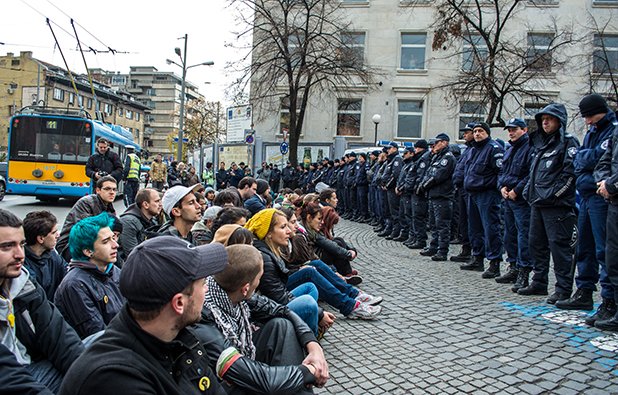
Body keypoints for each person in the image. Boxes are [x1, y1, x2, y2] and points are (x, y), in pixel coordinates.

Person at [58, 237, 229, 394]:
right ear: (179, 303)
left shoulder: (178, 337)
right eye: (203, 283)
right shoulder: (115, 381)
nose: (206, 290)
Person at [194, 244, 329, 394]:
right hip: (223, 383)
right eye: (259, 278)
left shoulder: (232, 293)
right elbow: (261, 379)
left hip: (239, 364)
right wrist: (308, 371)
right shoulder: (204, 318)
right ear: (245, 289)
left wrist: (313, 346)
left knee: (281, 326)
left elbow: (282, 310)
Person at [0, 209, 84, 394]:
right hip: (14, 379)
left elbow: (58, 335)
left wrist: (93, 378)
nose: (20, 254)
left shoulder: (23, 284)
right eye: (7, 247)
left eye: (21, 244)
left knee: (98, 353)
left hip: (31, 369)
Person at [556, 95, 615, 312]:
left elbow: (601, 159)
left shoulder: (611, 129)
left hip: (602, 197)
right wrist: (587, 158)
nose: (587, 121)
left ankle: (609, 300)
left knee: (604, 250)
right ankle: (584, 292)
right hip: (588, 195)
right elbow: (580, 160)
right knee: (584, 248)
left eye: (590, 115)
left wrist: (586, 158)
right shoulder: (593, 131)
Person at [519, 103, 580, 304]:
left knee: (559, 247)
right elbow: (533, 173)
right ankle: (539, 281)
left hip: (557, 206)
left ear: (559, 121)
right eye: (542, 119)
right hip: (538, 203)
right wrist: (529, 192)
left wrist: (554, 196)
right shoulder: (541, 144)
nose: (545, 122)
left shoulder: (568, 142)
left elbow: (570, 175)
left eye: (550, 119)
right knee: (536, 244)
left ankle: (563, 289)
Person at [285, 205, 382, 319]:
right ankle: (349, 306)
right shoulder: (297, 237)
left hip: (294, 273)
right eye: (292, 223)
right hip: (283, 287)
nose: (296, 226)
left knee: (318, 263)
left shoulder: (292, 238)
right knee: (311, 270)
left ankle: (354, 294)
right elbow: (283, 271)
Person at [245, 209, 323, 335]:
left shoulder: (272, 249)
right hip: (268, 312)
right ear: (268, 233)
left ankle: (306, 324)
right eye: (283, 227)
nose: (289, 231)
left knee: (310, 288)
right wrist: (320, 313)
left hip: (275, 301)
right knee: (308, 303)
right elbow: (278, 298)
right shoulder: (265, 258)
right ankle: (308, 339)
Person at [54, 213, 123, 339]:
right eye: (106, 241)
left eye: (113, 238)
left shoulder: (113, 270)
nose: (115, 245)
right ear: (88, 251)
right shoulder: (74, 285)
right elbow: (97, 335)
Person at [459, 122, 505, 277]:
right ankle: (477, 258)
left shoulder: (493, 149)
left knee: (490, 228)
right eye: (475, 131)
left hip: (487, 194)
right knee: (475, 228)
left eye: (481, 131)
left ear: (487, 133)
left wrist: (491, 186)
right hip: (472, 193)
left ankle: (494, 263)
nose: (477, 133)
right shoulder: (473, 150)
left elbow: (500, 172)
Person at [497, 118, 534, 291]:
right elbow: (502, 172)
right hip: (507, 197)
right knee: (509, 234)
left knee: (523, 236)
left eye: (515, 129)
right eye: (509, 130)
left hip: (520, 199)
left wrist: (516, 190)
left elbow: (529, 174)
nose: (511, 133)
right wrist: (502, 187)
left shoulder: (529, 147)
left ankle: (524, 271)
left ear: (524, 130)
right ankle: (513, 266)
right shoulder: (510, 149)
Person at [593, 107, 618, 330]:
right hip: (609, 197)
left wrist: (611, 184)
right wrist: (604, 182)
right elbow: (604, 160)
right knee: (610, 254)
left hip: (612, 194)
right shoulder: (611, 133)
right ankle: (610, 303)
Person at [56, 175, 118, 262]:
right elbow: (87, 232)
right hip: (70, 246)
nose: (112, 192)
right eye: (107, 189)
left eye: (114, 189)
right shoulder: (86, 203)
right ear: (98, 190)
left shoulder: (109, 208)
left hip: (94, 244)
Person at [418, 133, 457, 261]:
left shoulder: (448, 158)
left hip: (443, 195)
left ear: (445, 142)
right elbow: (429, 173)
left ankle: (443, 250)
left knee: (442, 225)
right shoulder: (437, 157)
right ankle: (434, 247)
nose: (434, 145)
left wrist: (424, 186)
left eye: (437, 142)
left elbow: (438, 176)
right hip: (434, 195)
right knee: (434, 224)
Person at [22, 210, 67, 301]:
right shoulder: (23, 266)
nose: (58, 235)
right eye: (54, 232)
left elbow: (67, 275)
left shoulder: (52, 255)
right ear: (41, 238)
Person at [450, 124, 475, 261]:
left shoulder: (475, 149)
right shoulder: (468, 149)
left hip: (469, 190)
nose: (464, 135)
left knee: (472, 223)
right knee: (463, 222)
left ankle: (474, 253)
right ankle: (466, 249)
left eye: (467, 132)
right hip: (462, 189)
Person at [118, 188, 163, 258]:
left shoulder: (152, 220)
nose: (160, 204)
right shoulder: (128, 222)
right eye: (157, 201)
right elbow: (132, 255)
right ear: (145, 204)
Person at [378, 143, 403, 239]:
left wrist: (387, 185)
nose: (388, 150)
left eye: (390, 148)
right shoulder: (390, 159)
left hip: (392, 189)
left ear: (395, 149)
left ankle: (395, 231)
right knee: (387, 210)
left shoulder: (397, 159)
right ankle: (389, 228)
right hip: (387, 189)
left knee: (394, 211)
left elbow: (395, 175)